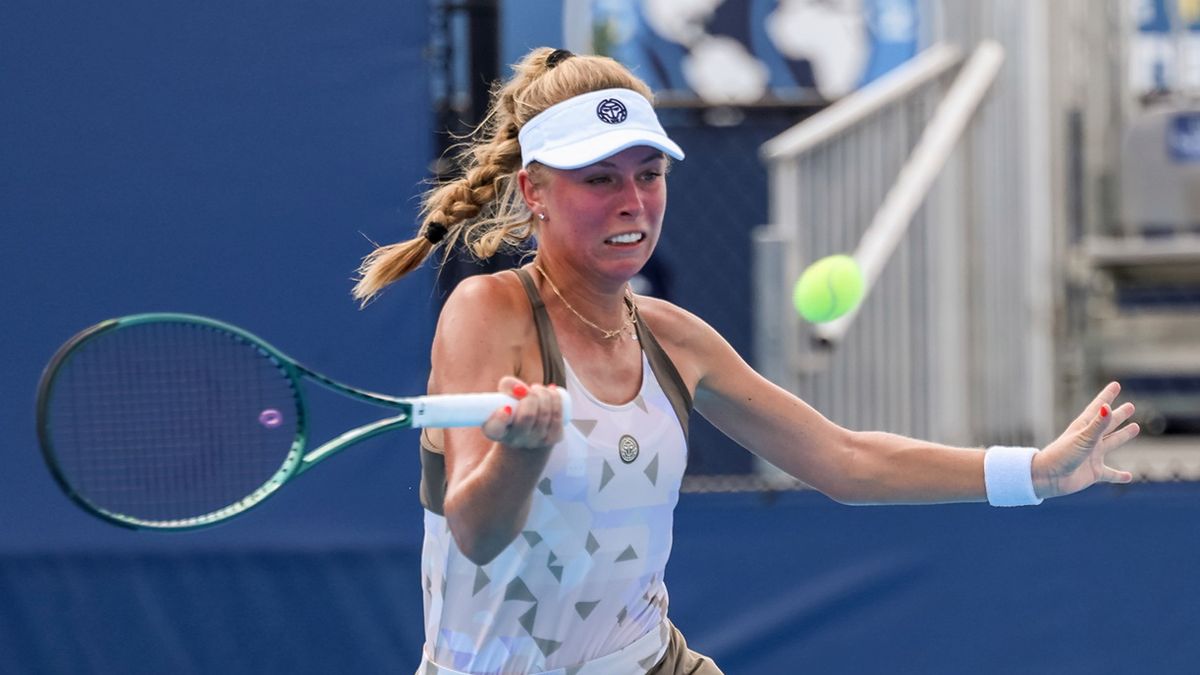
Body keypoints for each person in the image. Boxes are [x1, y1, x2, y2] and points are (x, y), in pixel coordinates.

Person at [352, 47, 1140, 675]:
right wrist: (520, 456)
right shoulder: (487, 312)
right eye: (599, 179)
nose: (632, 201)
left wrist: (1034, 471)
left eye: (649, 175)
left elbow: (843, 459)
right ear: (535, 192)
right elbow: (476, 531)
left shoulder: (672, 337)